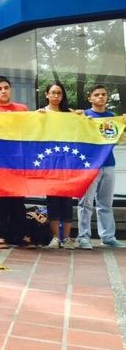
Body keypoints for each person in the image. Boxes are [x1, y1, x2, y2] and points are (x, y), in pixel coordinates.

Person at [77, 85, 126, 249]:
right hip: (89, 165)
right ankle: (83, 237)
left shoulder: (112, 117)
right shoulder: (83, 116)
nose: (101, 97)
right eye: (97, 95)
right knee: (86, 203)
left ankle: (108, 237)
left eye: (104, 94)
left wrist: (124, 125)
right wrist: (77, 119)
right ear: (90, 98)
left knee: (105, 203)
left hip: (109, 164)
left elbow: (120, 140)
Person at [0, 76, 29, 249]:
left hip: (18, 161)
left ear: (10, 89)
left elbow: (34, 129)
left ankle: (21, 235)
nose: (3, 91)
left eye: (6, 87)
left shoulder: (23, 109)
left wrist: (41, 116)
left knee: (18, 200)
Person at [40, 81, 77, 249]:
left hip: (67, 162)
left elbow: (82, 128)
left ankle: (67, 238)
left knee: (67, 200)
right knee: (53, 199)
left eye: (59, 93)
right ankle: (56, 237)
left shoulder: (69, 114)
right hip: (49, 162)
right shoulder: (41, 113)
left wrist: (83, 117)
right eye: (53, 92)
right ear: (47, 94)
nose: (56, 96)